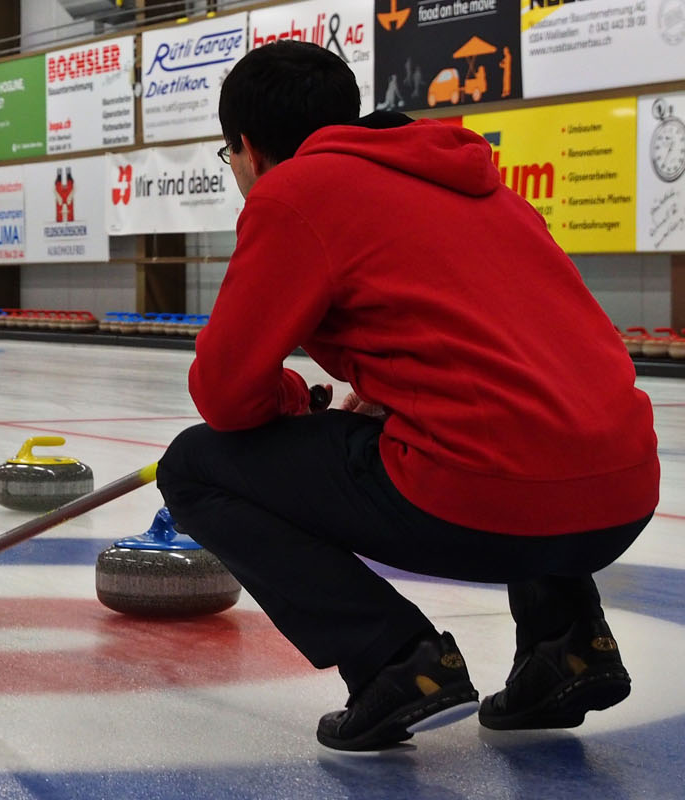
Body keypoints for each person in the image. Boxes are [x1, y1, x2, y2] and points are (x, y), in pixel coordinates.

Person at [154, 41, 658, 752]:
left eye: (227, 156)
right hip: (623, 497)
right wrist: (397, 395)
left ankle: (394, 659)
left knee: (194, 467)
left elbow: (225, 394)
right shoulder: (479, 185)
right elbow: (505, 354)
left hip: (488, 500)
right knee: (536, 426)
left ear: (247, 149)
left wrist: (294, 396)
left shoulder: (293, 192)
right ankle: (569, 644)